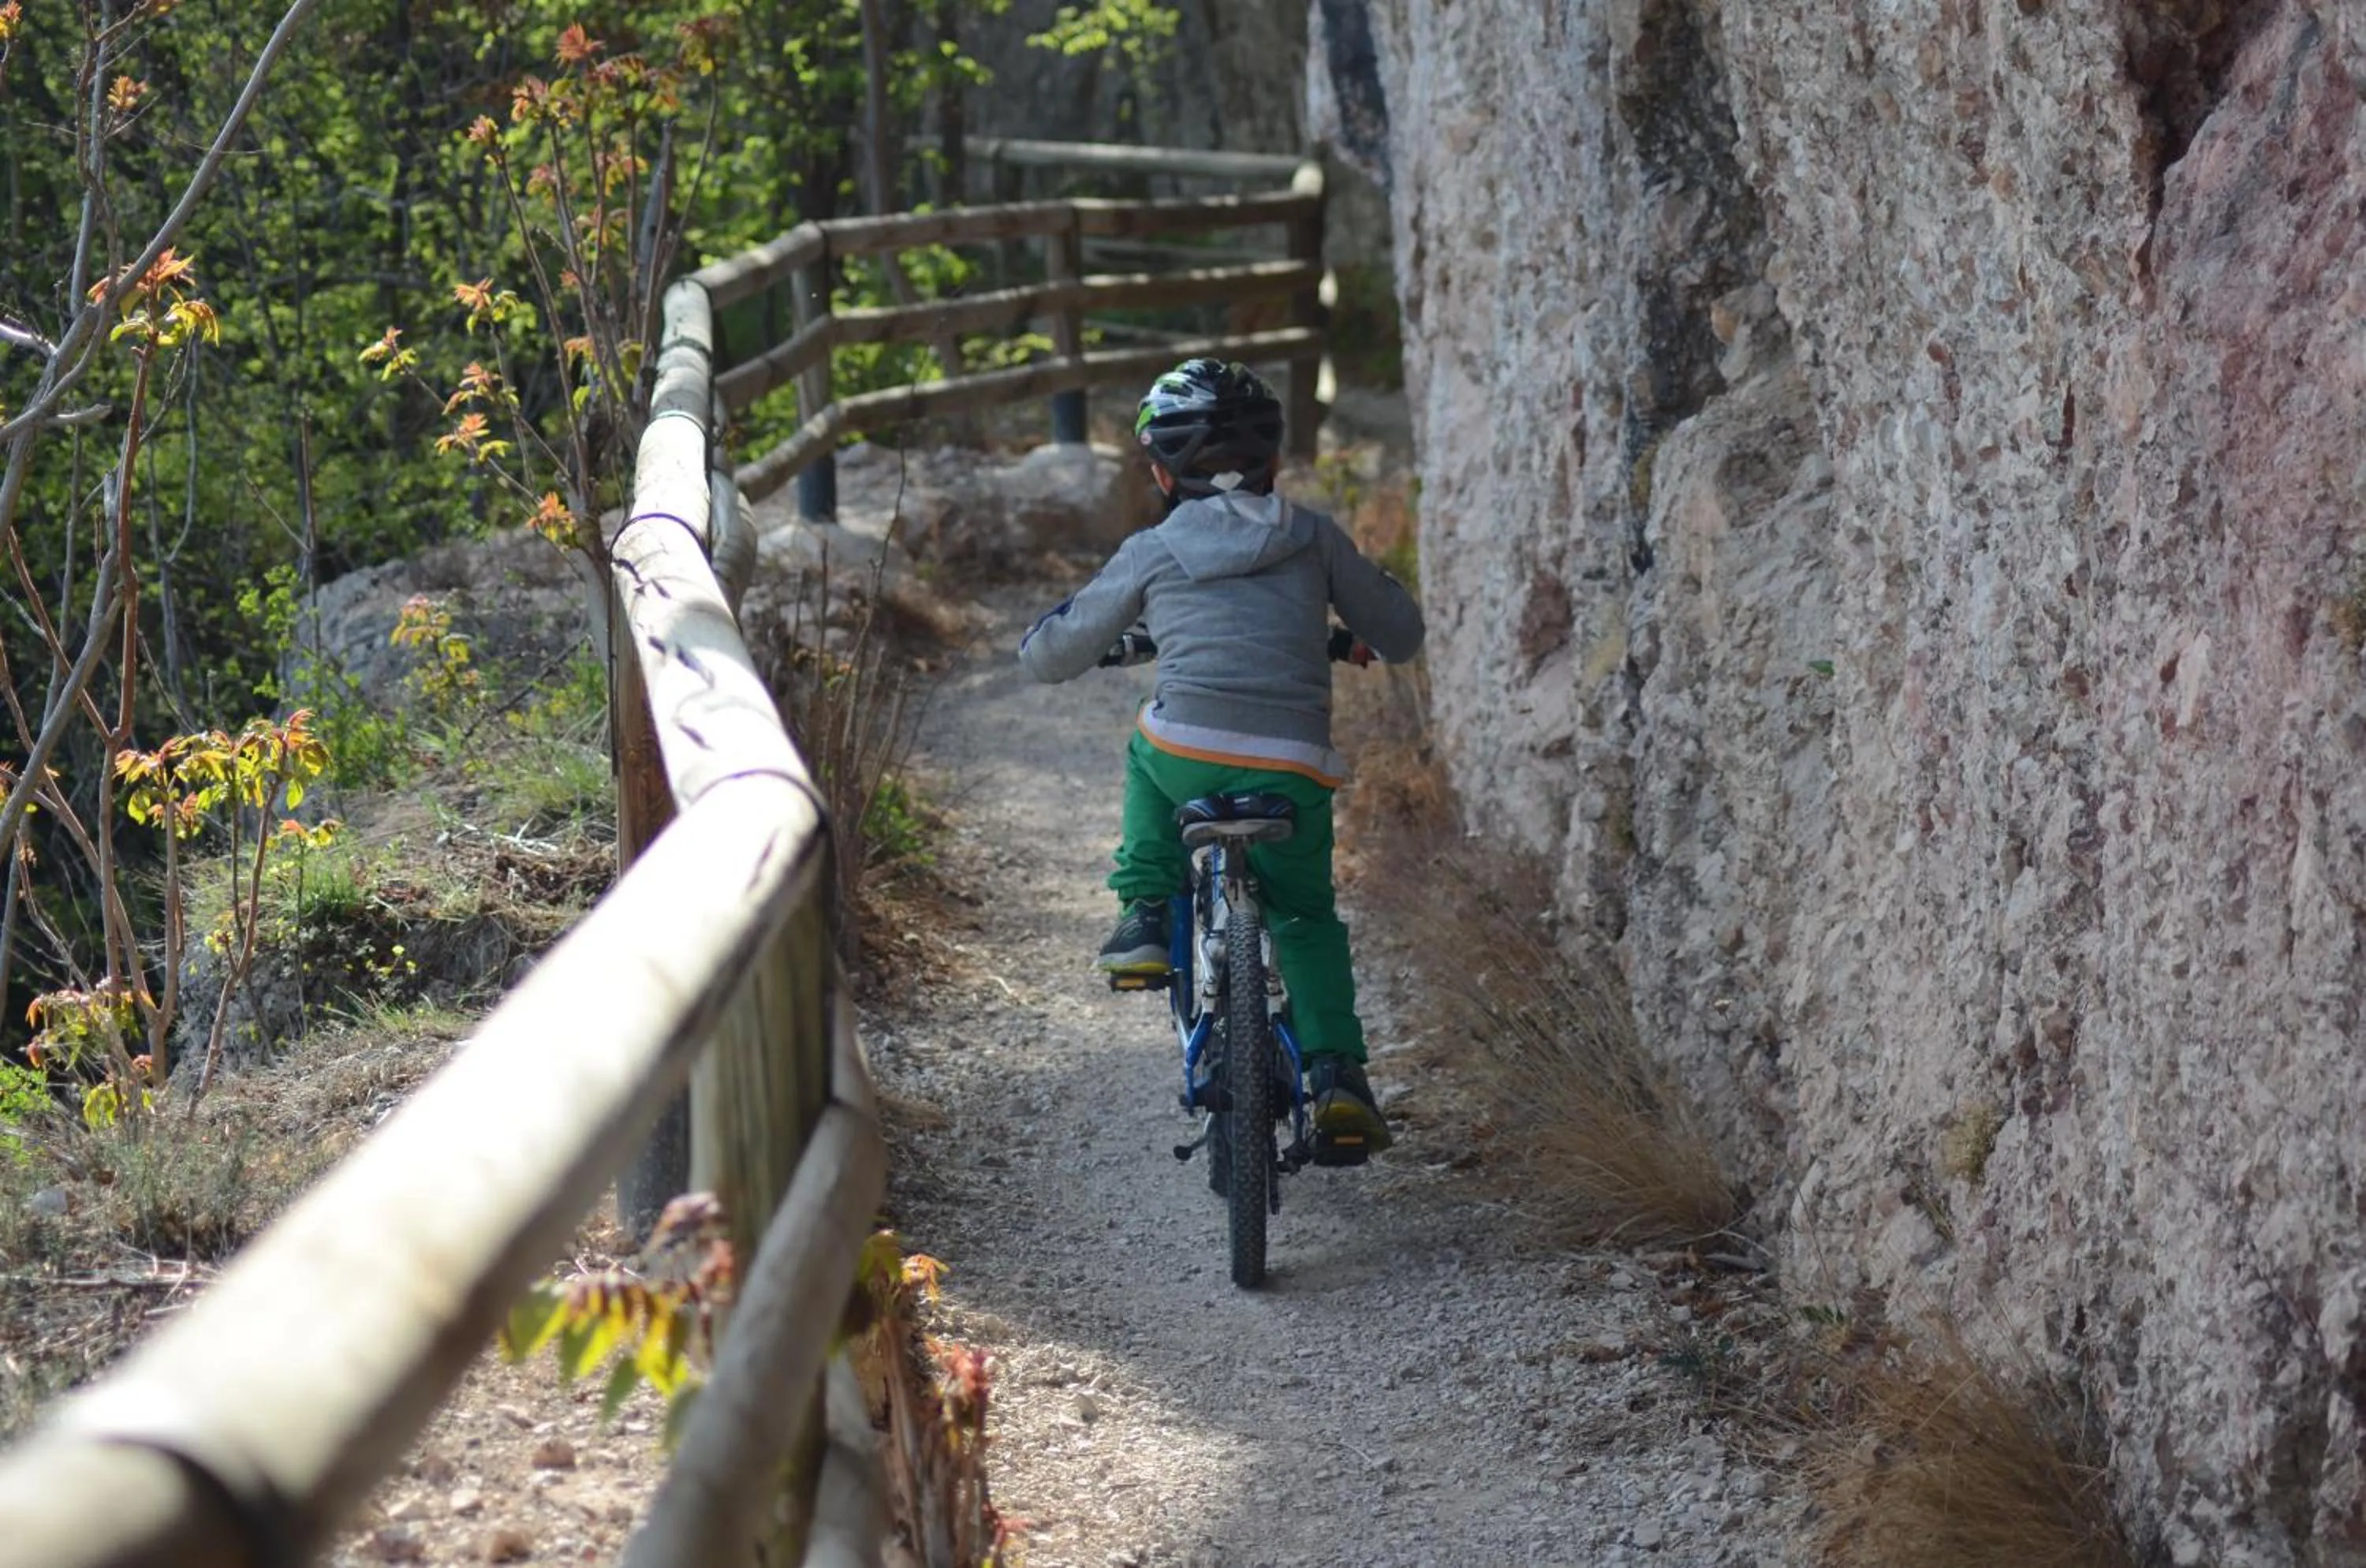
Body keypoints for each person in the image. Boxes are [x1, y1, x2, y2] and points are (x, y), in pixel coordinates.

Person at [1017, 358, 1424, 1152]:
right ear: (1273, 459)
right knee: (1304, 914)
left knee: (1147, 748)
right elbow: (1401, 634)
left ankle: (1144, 910)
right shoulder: (1313, 536)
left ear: (1163, 473)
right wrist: (1337, 629)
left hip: (1189, 753)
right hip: (1293, 765)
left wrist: (1045, 641)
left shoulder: (1154, 549)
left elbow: (1054, 653)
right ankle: (1338, 1076)